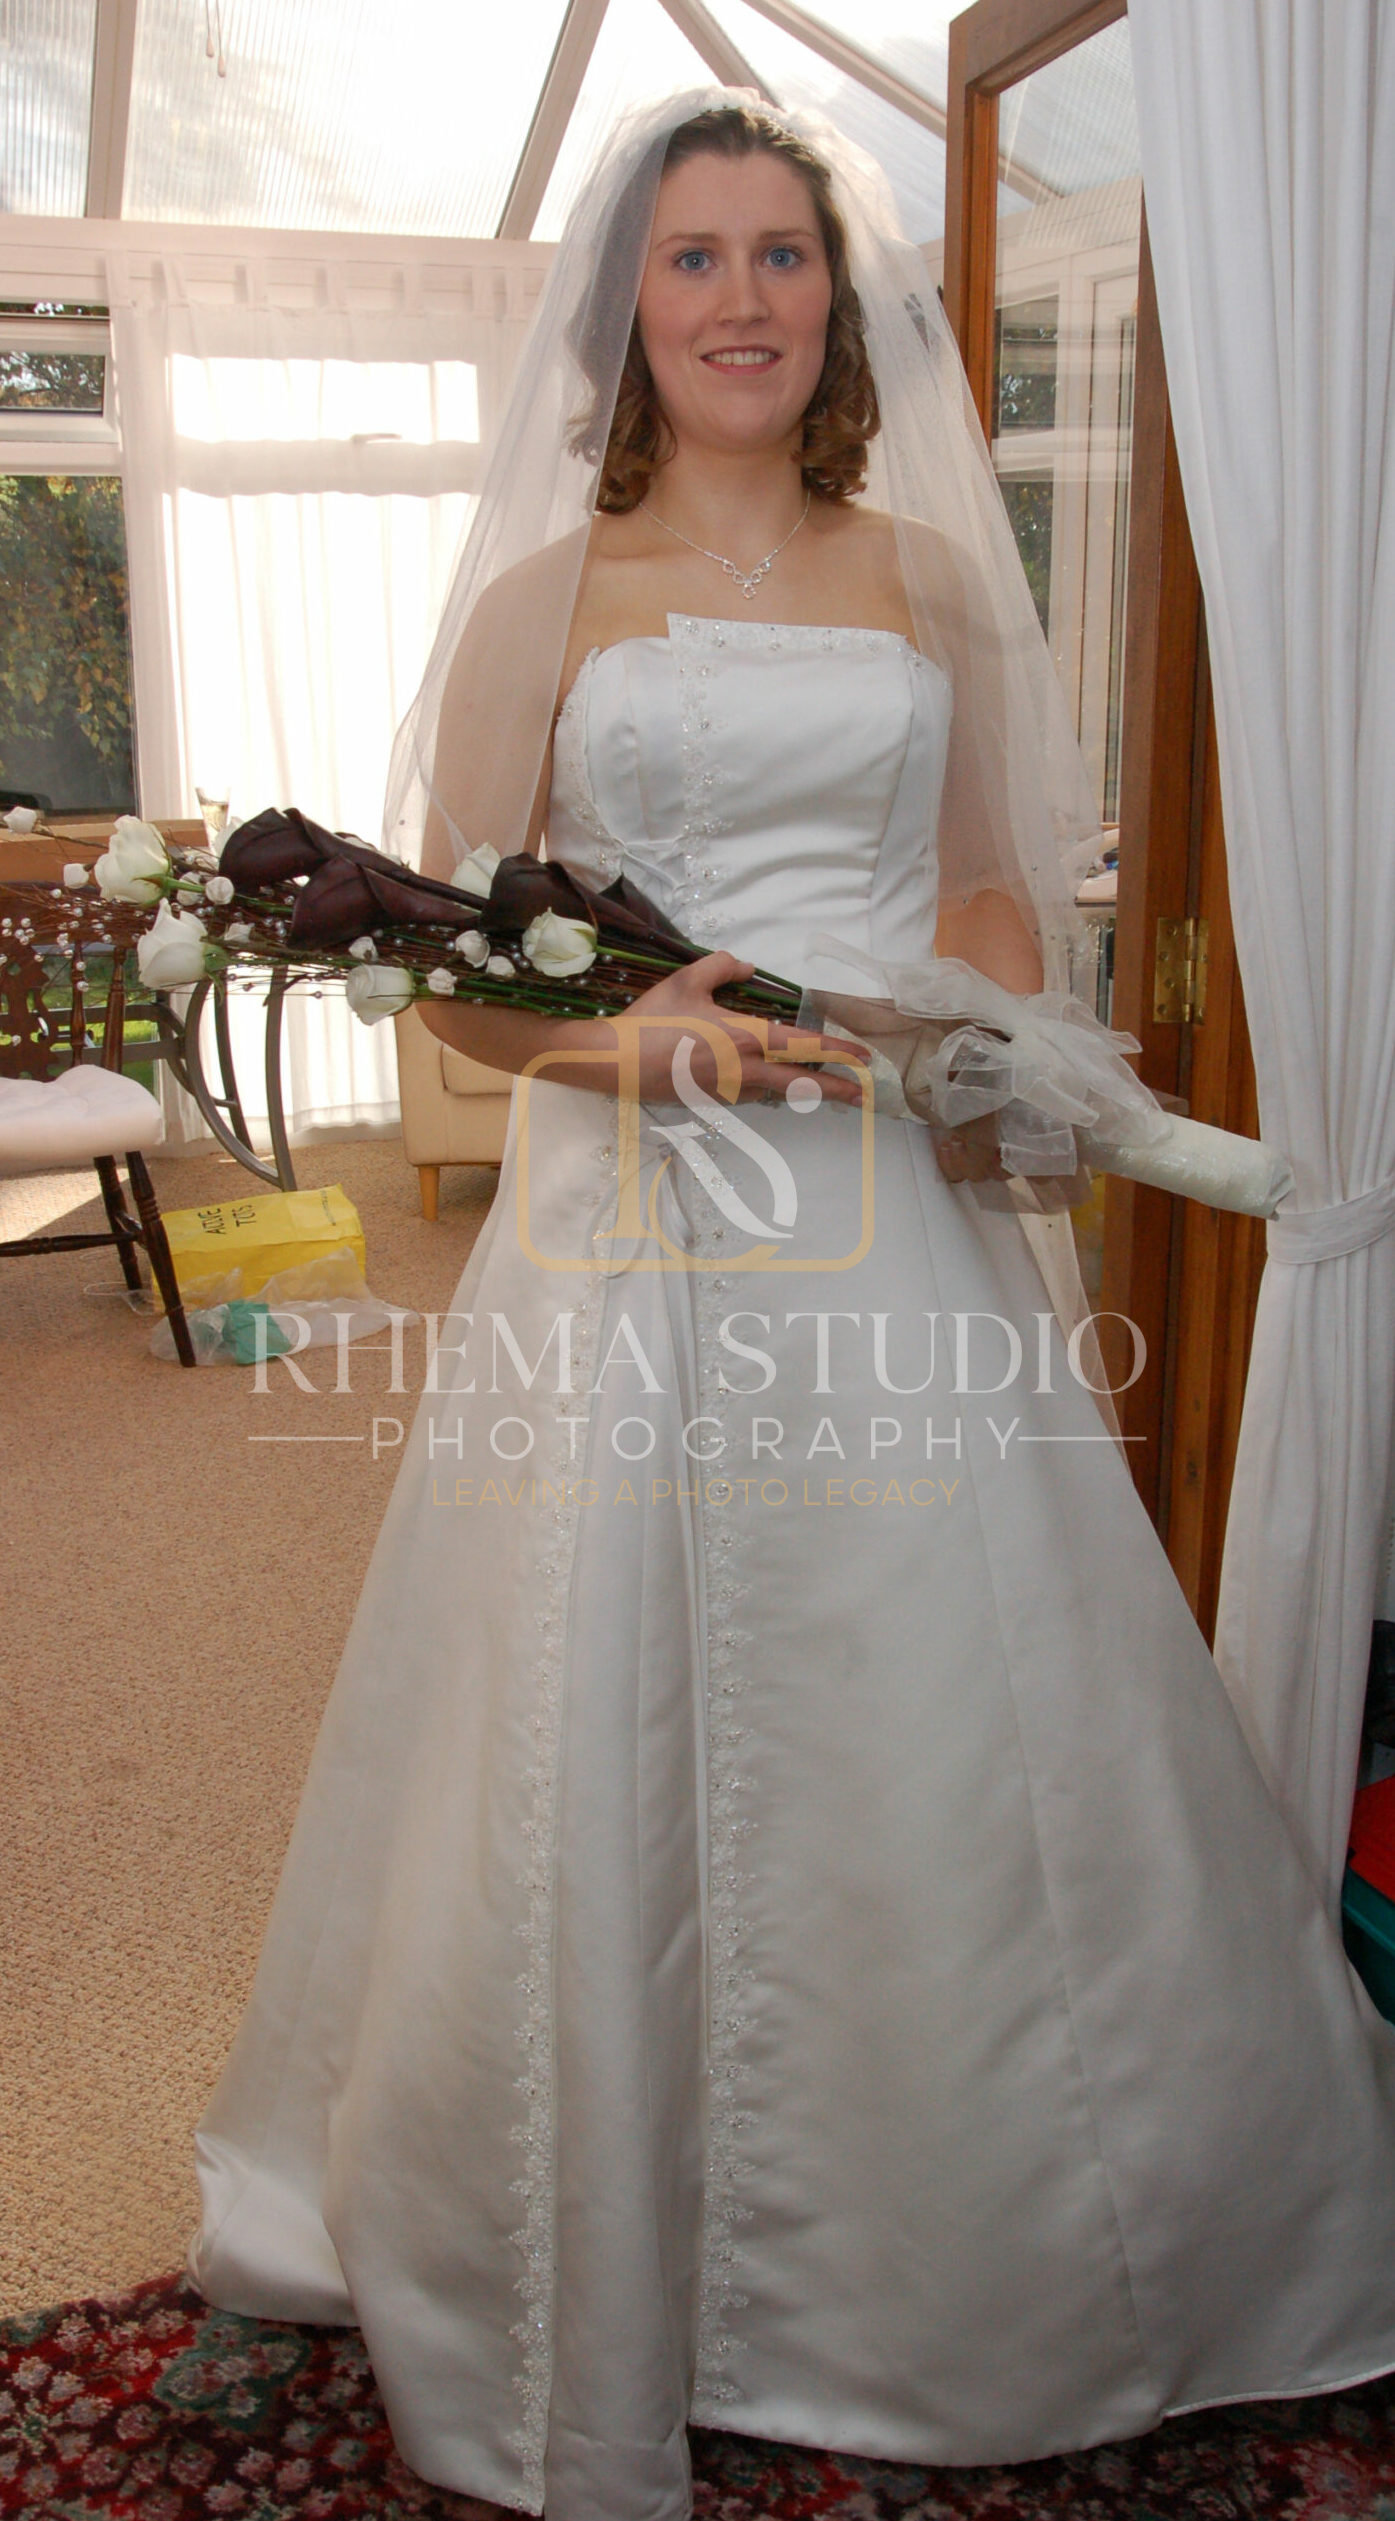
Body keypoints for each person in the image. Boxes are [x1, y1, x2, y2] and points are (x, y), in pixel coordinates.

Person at [189, 90, 1395, 2521]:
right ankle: (594, 2236)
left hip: (876, 1189)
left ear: (834, 303)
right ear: (623, 308)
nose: (738, 297)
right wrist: (621, 1042)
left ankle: (961, 2251)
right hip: (629, 1216)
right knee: (594, 1703)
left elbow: (980, 883)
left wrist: (969, 1022)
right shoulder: (542, 599)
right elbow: (455, 978)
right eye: (691, 257)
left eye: (778, 254)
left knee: (949, 1707)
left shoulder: (930, 574)